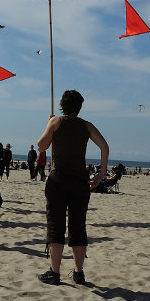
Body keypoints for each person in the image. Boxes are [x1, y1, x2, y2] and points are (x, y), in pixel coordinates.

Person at [37, 90, 109, 287]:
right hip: (80, 182)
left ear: (62, 105)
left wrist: (49, 124)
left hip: (58, 180)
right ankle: (79, 273)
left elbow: (41, 146)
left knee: (56, 226)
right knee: (78, 226)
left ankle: (55, 272)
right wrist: (101, 174)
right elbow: (104, 146)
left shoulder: (56, 122)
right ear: (79, 107)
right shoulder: (87, 126)